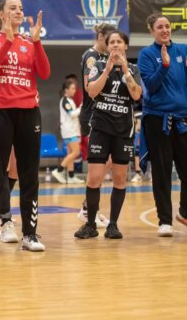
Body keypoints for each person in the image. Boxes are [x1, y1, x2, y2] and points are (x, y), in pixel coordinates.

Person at [0, 0, 50, 254]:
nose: (18, 11)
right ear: (1, 14)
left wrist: (37, 41)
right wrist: (7, 41)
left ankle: (29, 234)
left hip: (29, 112)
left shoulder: (29, 42)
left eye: (20, 8)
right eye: (13, 8)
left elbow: (44, 72)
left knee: (30, 176)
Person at [137, 13, 187, 238]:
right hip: (158, 119)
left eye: (167, 26)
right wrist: (164, 65)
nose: (165, 30)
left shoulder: (183, 49)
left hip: (184, 118)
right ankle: (165, 220)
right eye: (160, 27)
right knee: (162, 171)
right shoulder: (146, 54)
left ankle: (186, 213)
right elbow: (151, 85)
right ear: (152, 31)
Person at [75, 30, 142, 240]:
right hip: (100, 128)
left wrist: (125, 71)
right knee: (94, 178)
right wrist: (108, 70)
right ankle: (90, 224)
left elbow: (136, 94)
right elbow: (92, 91)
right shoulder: (98, 65)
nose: (114, 45)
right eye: (111, 42)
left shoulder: (133, 69)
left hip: (123, 131)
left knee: (120, 179)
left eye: (118, 41)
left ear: (125, 46)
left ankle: (113, 225)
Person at [77, 23, 116, 228]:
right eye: (108, 40)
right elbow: (88, 87)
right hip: (92, 115)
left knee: (109, 161)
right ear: (100, 37)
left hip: (107, 115)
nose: (112, 44)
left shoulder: (107, 56)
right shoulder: (91, 56)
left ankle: (88, 207)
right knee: (98, 165)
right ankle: (88, 210)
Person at [52, 78, 84, 184]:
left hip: (71, 131)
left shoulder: (70, 100)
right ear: (66, 90)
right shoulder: (65, 101)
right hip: (69, 132)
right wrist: (82, 106)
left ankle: (71, 176)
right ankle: (58, 170)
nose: (75, 90)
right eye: (72, 88)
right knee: (76, 152)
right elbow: (72, 114)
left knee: (70, 154)